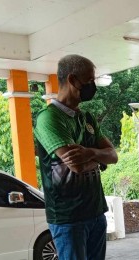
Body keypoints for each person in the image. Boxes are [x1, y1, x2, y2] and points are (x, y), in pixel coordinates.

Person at [34, 54, 118, 260]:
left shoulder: (85, 117)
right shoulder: (49, 118)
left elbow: (113, 155)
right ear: (72, 80)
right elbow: (76, 166)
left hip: (95, 211)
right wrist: (99, 159)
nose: (93, 85)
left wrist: (90, 153)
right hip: (68, 216)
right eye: (89, 80)